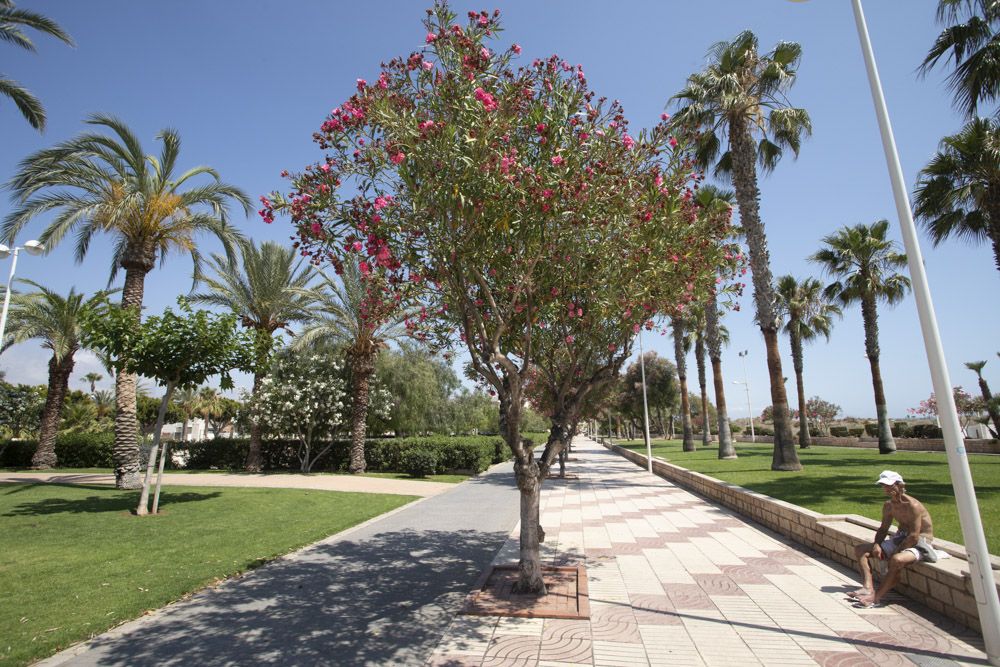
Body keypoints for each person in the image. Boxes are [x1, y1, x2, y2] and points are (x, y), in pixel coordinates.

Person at [849, 470, 936, 608]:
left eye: (890, 485)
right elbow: (883, 529)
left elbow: (914, 535)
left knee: (896, 560)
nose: (887, 489)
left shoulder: (913, 506)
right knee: (861, 550)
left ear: (900, 485)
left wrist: (896, 552)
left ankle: (876, 598)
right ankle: (867, 588)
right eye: (884, 485)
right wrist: (877, 544)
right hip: (901, 538)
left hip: (920, 542)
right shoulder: (889, 505)